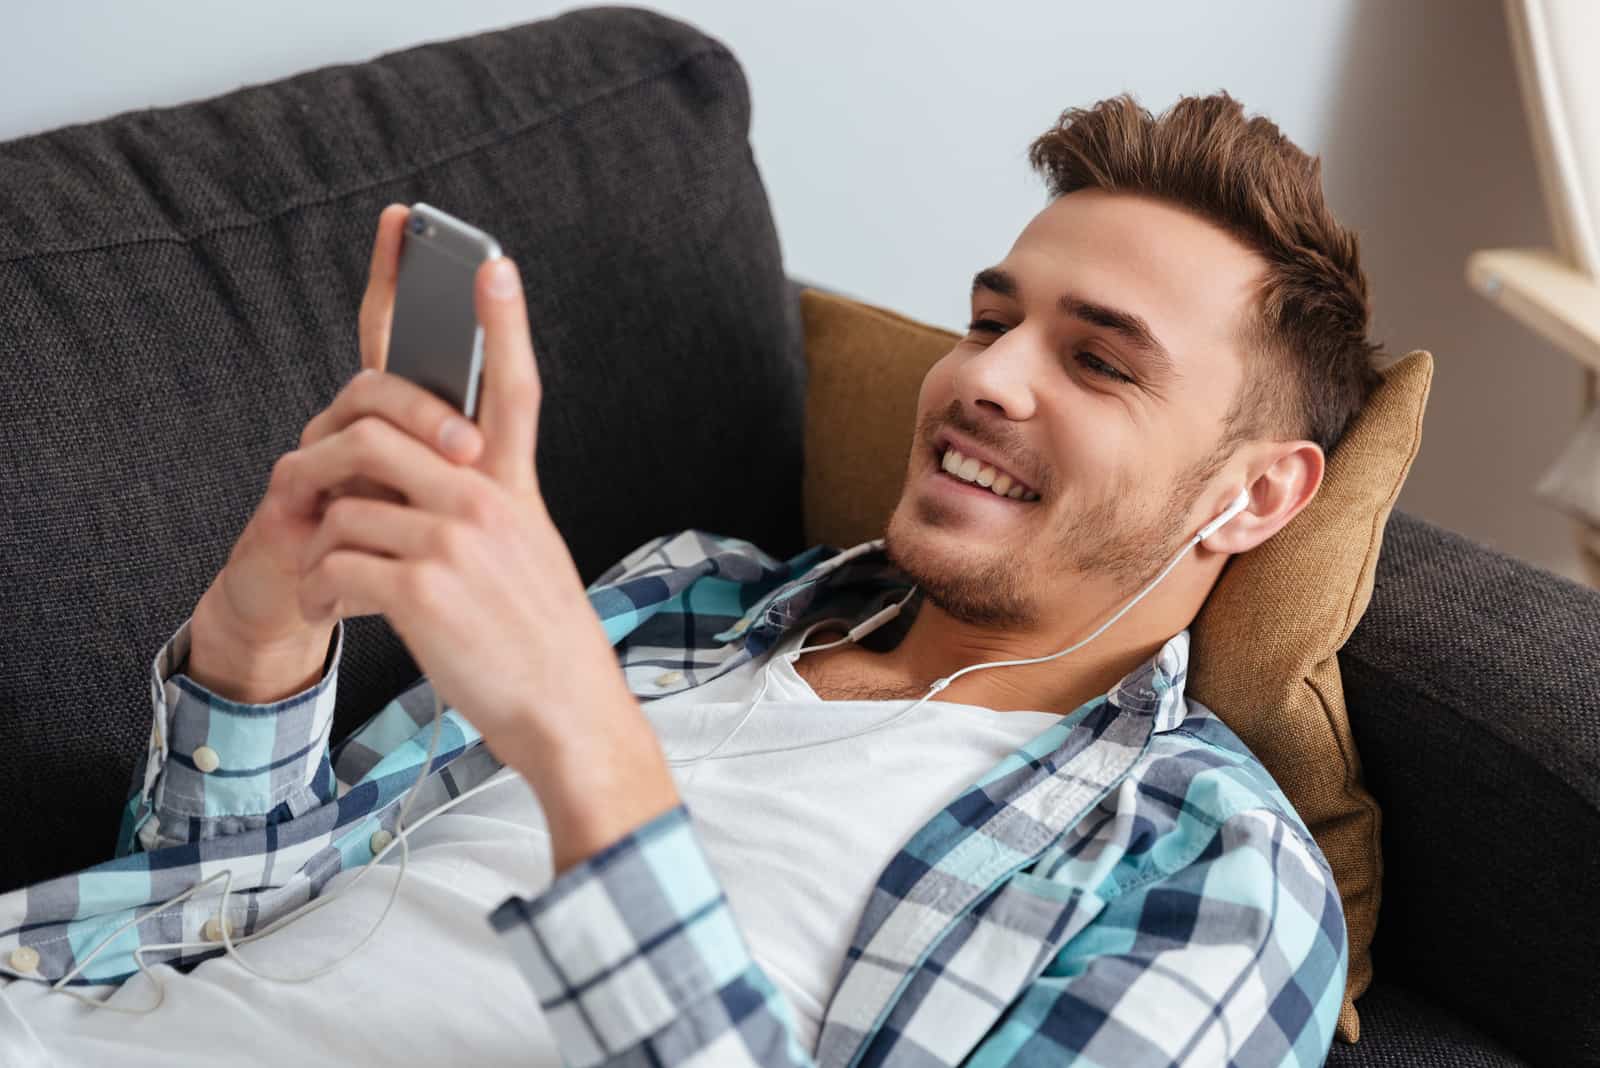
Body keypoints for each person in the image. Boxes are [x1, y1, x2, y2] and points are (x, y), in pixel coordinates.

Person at [0, 91, 1369, 1067]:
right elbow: (208, 916)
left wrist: (582, 743)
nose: (981, 378)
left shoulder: (1215, 881)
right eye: (990, 319)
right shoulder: (691, 600)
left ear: (1260, 494)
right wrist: (262, 639)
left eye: (1100, 361)